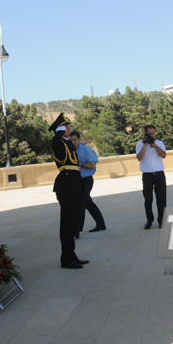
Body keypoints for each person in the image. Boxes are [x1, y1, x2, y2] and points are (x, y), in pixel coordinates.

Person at [50, 113, 88, 269]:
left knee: (72, 222)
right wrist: (58, 131)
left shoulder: (67, 143)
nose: (69, 129)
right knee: (66, 224)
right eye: (66, 126)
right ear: (61, 129)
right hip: (66, 184)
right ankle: (66, 259)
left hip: (74, 183)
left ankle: (71, 255)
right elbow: (55, 142)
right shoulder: (58, 143)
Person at [69, 131, 106, 234]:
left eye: (75, 140)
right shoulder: (70, 150)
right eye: (71, 140)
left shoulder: (85, 149)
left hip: (86, 180)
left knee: (81, 203)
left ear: (80, 139)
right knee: (88, 203)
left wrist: (79, 163)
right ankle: (101, 224)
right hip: (77, 180)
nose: (73, 142)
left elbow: (92, 166)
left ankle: (77, 230)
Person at [135, 125, 167, 229]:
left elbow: (163, 155)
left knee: (161, 199)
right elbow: (139, 158)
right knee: (148, 199)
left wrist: (155, 146)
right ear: (145, 134)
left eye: (153, 133)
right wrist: (145, 145)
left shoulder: (160, 143)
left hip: (159, 174)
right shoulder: (140, 145)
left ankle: (162, 220)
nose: (151, 135)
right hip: (147, 175)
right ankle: (149, 220)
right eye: (149, 134)